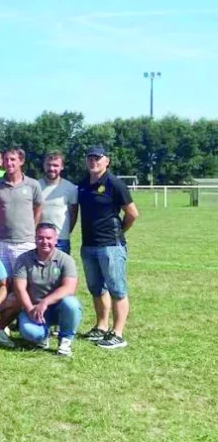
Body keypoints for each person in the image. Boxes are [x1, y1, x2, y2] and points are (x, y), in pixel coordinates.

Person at [77, 145, 138, 350]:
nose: (93, 161)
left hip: (111, 245)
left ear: (107, 161)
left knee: (117, 289)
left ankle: (118, 333)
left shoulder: (114, 184)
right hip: (89, 245)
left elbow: (132, 214)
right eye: (90, 158)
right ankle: (101, 326)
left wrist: (120, 231)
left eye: (97, 158)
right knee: (96, 288)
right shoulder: (83, 184)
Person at [11, 223, 81, 357]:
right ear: (35, 239)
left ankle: (65, 340)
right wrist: (30, 308)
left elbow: (69, 287)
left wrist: (45, 302)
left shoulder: (66, 260)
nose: (45, 242)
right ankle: (43, 336)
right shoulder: (24, 259)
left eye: (49, 238)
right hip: (34, 308)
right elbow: (19, 288)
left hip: (59, 307)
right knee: (29, 333)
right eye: (40, 238)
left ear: (56, 240)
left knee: (72, 304)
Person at [0, 147, 43, 275]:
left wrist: (30, 229)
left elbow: (38, 208)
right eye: (6, 159)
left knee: (22, 282)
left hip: (24, 242)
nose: (9, 163)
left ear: (21, 161)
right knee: (3, 282)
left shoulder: (33, 185)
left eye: (13, 159)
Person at [39, 152, 79, 255]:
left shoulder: (70, 188)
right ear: (44, 165)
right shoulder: (35, 186)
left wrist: (65, 233)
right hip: (39, 239)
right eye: (48, 165)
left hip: (61, 240)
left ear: (62, 167)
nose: (51, 168)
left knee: (60, 271)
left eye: (55, 165)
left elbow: (73, 215)